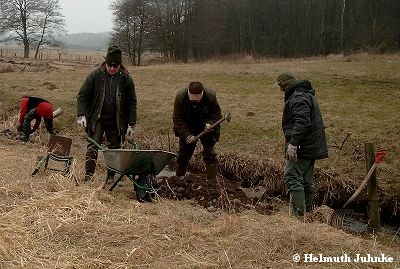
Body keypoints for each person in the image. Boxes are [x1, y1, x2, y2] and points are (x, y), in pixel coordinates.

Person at [76, 45, 137, 182]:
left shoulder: (126, 79)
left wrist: (131, 123)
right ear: (106, 63)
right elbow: (82, 95)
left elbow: (132, 102)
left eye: (115, 66)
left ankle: (111, 177)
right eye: (110, 65)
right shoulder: (96, 75)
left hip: (116, 120)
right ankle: (88, 176)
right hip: (97, 119)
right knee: (93, 145)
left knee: (114, 149)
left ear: (120, 65)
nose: (112, 69)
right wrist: (81, 114)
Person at [274, 71, 328, 217]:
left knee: (291, 176)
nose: (280, 90)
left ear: (285, 84)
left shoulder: (298, 97)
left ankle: (299, 216)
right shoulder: (304, 94)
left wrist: (293, 144)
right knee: (305, 180)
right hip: (312, 145)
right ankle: (308, 215)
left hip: (303, 146)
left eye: (280, 86)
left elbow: (302, 122)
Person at [173, 81, 222, 180]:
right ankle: (178, 180)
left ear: (202, 93)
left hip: (207, 127)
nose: (196, 102)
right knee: (183, 155)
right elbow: (177, 119)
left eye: (198, 100)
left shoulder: (210, 96)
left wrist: (210, 125)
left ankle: (212, 180)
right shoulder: (180, 97)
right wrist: (187, 135)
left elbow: (217, 115)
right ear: (188, 93)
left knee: (210, 154)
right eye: (193, 101)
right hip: (187, 126)